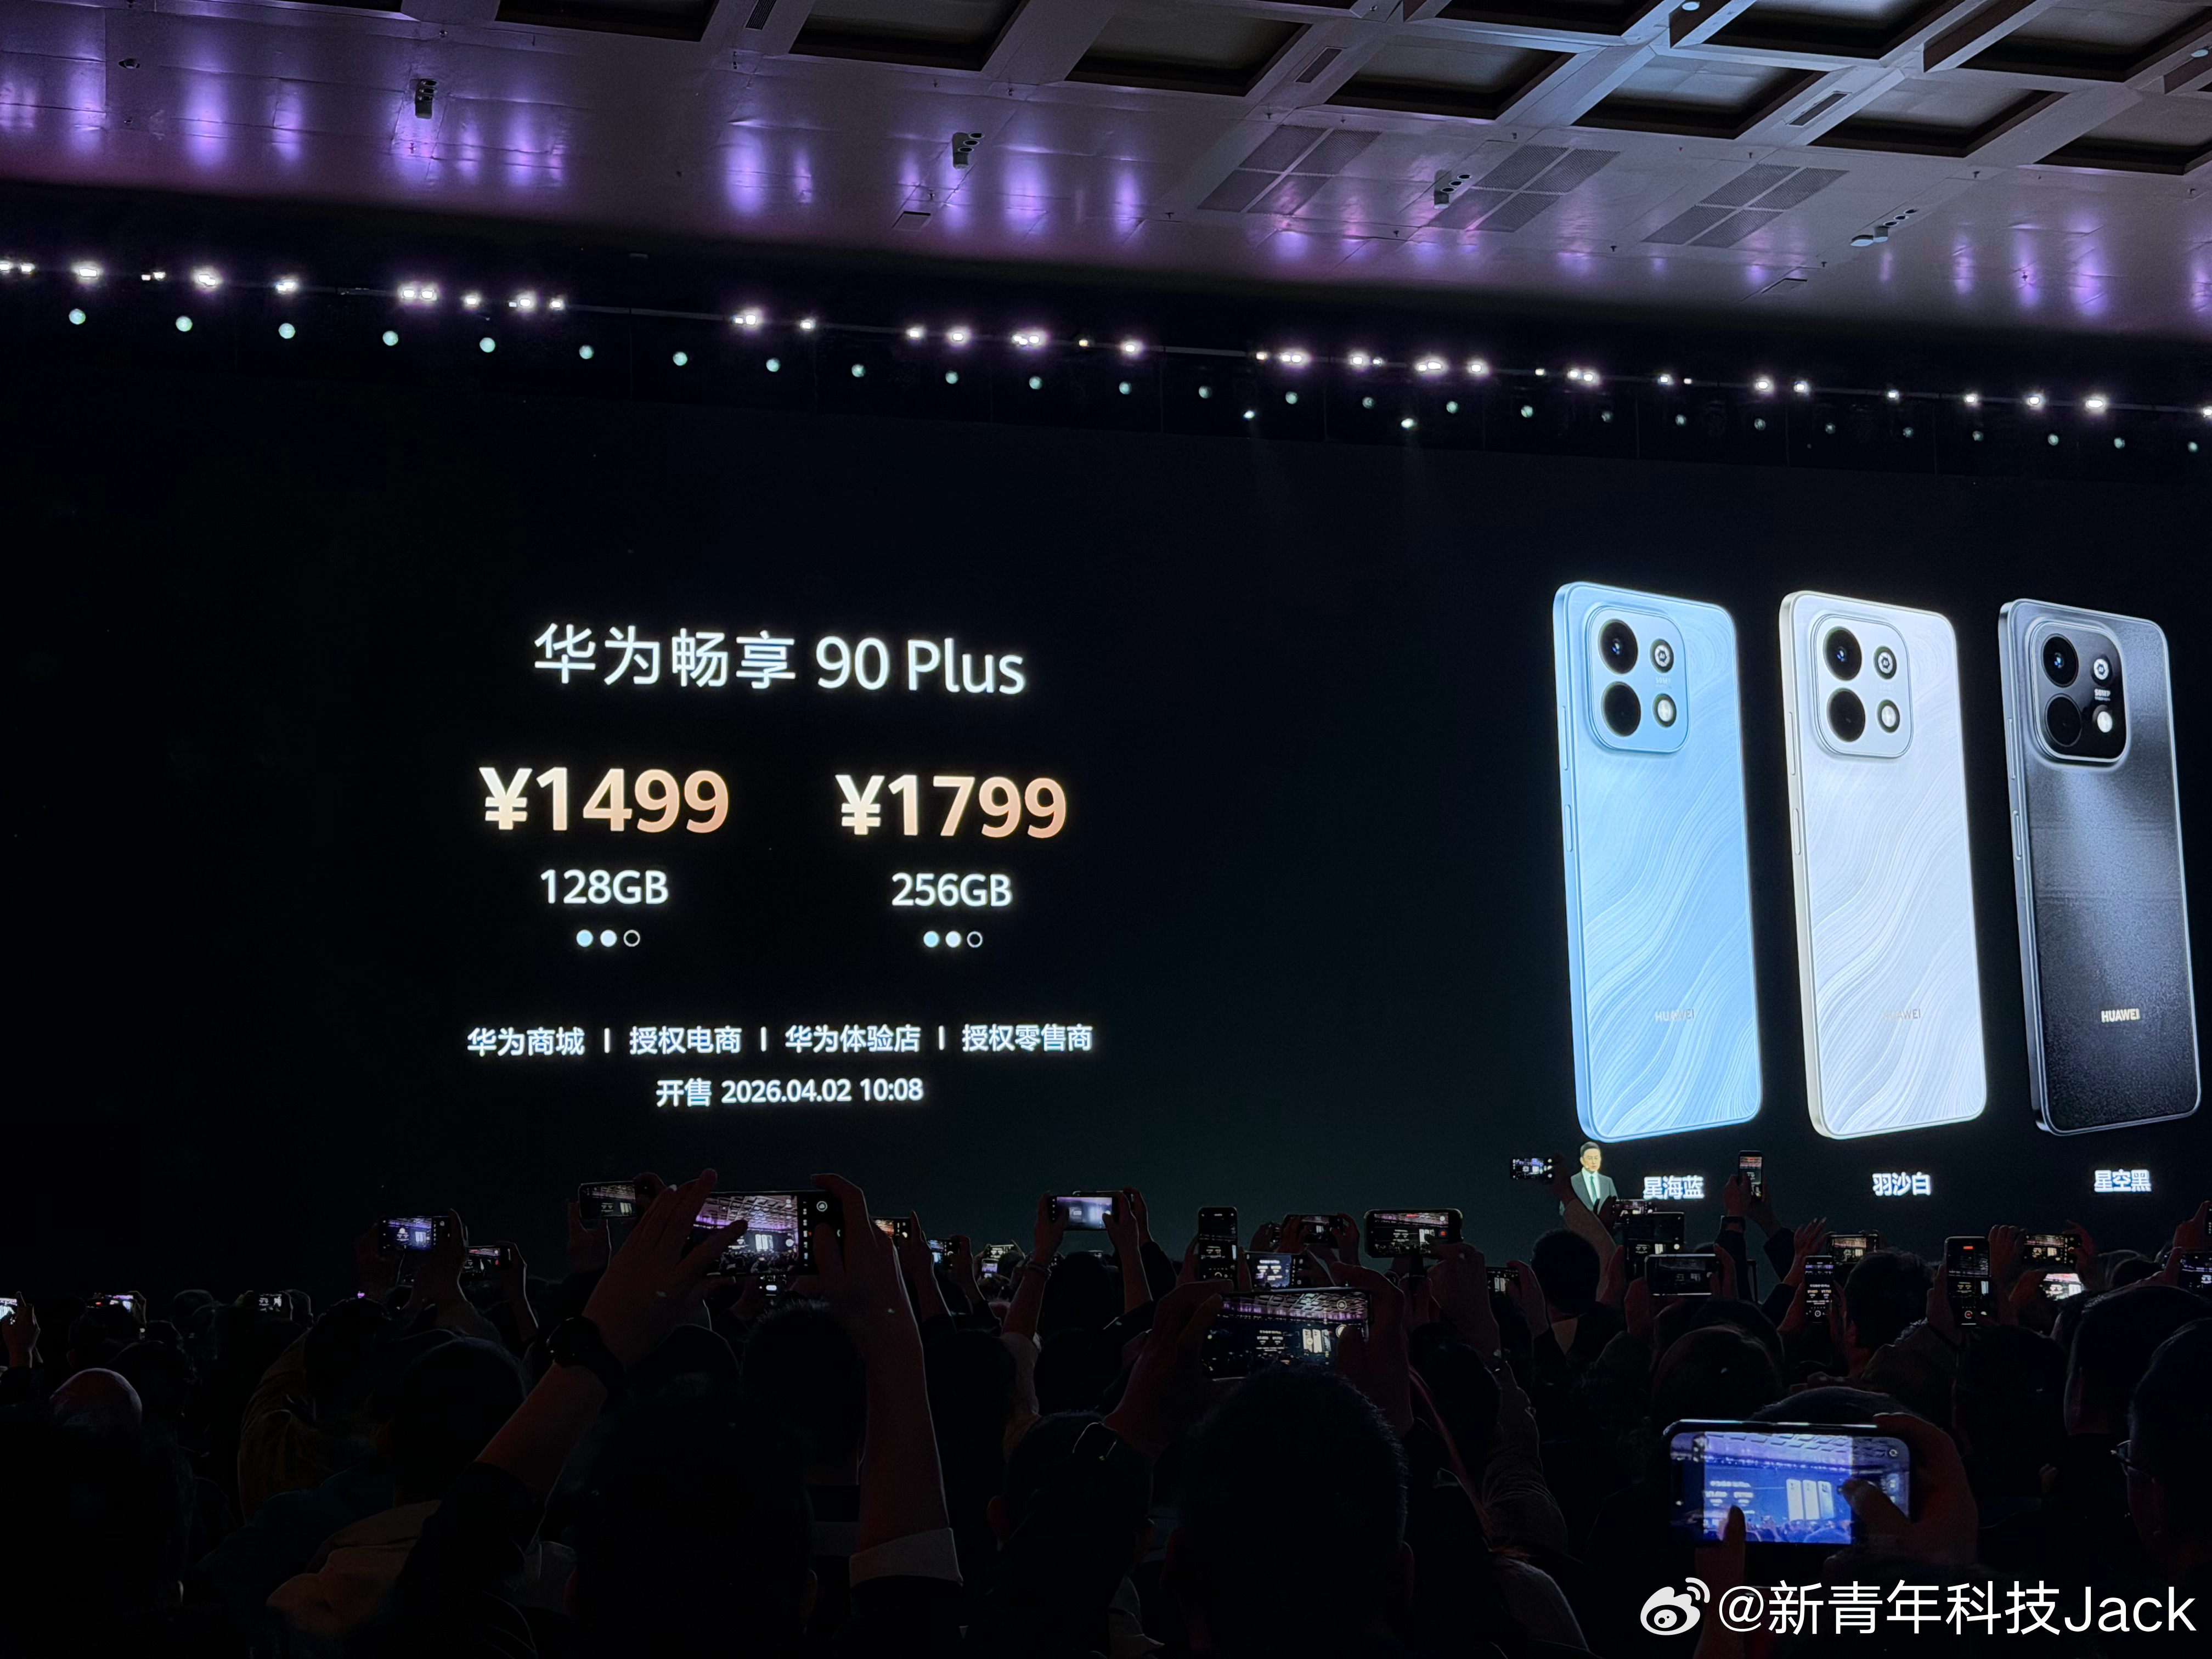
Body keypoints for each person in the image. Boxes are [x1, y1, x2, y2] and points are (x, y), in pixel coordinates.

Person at [1563, 1144, 1614, 1216]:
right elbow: (1563, 1209)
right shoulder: (1572, 1182)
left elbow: (1615, 1206)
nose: (1594, 1162)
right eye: (1590, 1158)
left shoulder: (1608, 1182)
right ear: (1582, 1160)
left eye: (1596, 1158)